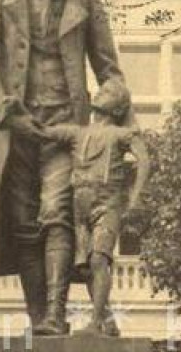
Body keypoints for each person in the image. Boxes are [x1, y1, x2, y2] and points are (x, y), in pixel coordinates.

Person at [0, 0, 123, 335]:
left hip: (65, 126)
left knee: (57, 214)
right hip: (15, 126)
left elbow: (110, 70)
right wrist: (3, 107)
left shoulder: (87, 2)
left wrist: (112, 103)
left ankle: (56, 315)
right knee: (24, 224)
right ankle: (39, 319)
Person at [44, 78, 150, 337]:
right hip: (81, 207)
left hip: (107, 204)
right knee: (87, 266)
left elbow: (144, 161)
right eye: (102, 89)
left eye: (110, 92)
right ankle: (109, 321)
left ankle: (95, 323)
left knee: (99, 259)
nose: (103, 92)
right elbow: (42, 132)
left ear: (118, 108)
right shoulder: (78, 133)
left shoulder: (123, 134)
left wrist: (135, 197)